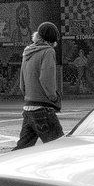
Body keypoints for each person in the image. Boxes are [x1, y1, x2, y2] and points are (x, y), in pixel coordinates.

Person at [14, 21, 64, 149]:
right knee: (59, 147)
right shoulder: (48, 51)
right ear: (53, 40)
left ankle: (5, 166)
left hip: (28, 107)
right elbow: (46, 79)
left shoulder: (27, 51)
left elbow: (22, 82)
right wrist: (53, 97)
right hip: (43, 109)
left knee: (22, 150)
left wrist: (29, 95)